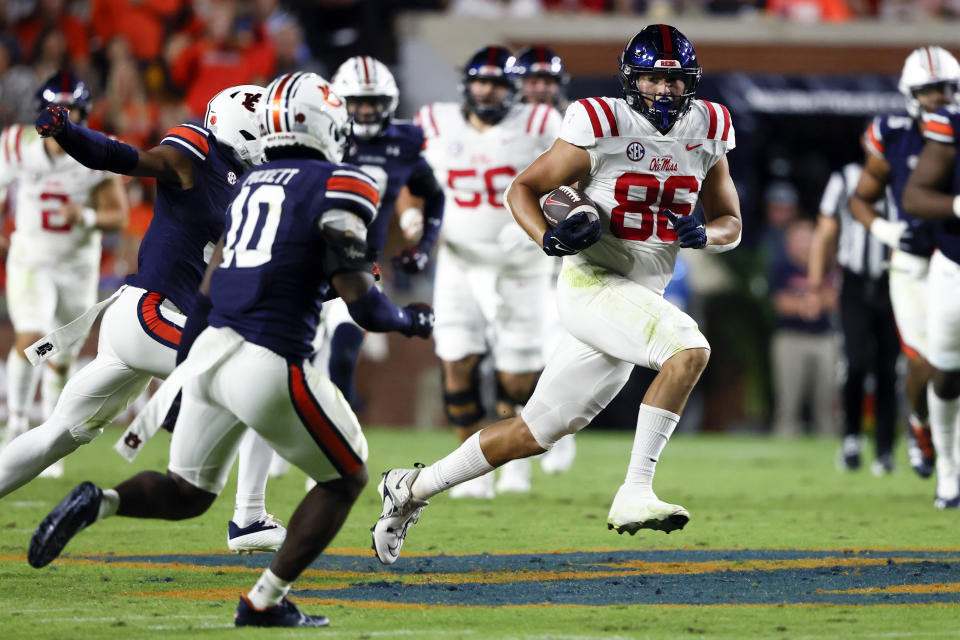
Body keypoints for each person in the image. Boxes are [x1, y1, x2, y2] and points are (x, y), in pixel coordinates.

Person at [28, 72, 435, 629]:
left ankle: (103, 500)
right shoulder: (335, 182)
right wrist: (409, 319)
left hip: (202, 336)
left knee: (184, 489)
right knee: (347, 477)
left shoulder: (250, 185)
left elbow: (209, 285)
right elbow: (360, 301)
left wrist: (191, 367)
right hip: (241, 345)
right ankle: (261, 583)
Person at [371, 24, 742, 564]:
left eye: (673, 81)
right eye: (650, 79)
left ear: (690, 83)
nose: (663, 91)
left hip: (638, 295)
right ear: (630, 80)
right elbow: (522, 186)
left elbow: (731, 220)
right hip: (592, 282)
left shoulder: (710, 126)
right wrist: (545, 236)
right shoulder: (602, 121)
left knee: (534, 431)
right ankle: (635, 490)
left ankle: (409, 488)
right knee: (689, 350)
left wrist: (706, 234)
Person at [0, 83, 286, 553]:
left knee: (57, 435)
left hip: (145, 324)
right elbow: (127, 158)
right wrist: (69, 134)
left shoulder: (249, 182)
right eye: (266, 130)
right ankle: (249, 518)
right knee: (261, 379)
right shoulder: (197, 152)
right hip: (151, 311)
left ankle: (213, 479)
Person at [416, 45, 562, 498]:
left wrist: (544, 221)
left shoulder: (540, 123)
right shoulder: (435, 122)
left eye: (499, 83)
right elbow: (409, 179)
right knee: (456, 361)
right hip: (460, 260)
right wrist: (411, 221)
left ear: (514, 90)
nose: (488, 90)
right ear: (467, 82)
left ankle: (512, 462)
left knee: (517, 375)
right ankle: (468, 470)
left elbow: (573, 178)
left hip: (521, 260)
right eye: (482, 80)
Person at [0, 71, 128, 480]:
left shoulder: (96, 155)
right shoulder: (17, 145)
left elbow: (119, 216)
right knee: (29, 338)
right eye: (58, 111)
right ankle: (17, 422)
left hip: (76, 267)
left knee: (59, 355)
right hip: (31, 260)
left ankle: (48, 438)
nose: (64, 120)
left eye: (72, 111)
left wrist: (87, 215)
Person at [850, 46, 958, 478]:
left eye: (947, 88)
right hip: (914, 261)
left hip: (952, 258)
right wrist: (888, 231)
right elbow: (861, 199)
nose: (940, 97)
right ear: (911, 94)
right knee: (921, 362)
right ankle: (920, 424)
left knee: (950, 364)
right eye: (929, 90)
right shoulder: (892, 134)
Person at [320, 56, 444, 408]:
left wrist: (423, 246)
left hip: (359, 264)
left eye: (373, 102)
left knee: (343, 356)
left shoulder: (403, 143)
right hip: (306, 261)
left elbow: (433, 194)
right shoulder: (321, 136)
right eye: (356, 102)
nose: (364, 111)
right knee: (297, 361)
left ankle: (337, 443)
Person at [508, 45, 577, 475]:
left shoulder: (574, 123)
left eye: (545, 80)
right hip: (510, 251)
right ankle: (521, 447)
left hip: (562, 250)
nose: (538, 88)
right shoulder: (502, 125)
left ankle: (559, 433)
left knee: (558, 349)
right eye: (531, 79)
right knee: (514, 355)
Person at [809, 161, 900, 474]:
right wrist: (815, 284)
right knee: (857, 361)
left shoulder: (903, 175)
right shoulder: (845, 178)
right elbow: (826, 231)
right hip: (855, 283)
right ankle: (851, 439)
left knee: (889, 367)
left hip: (894, 281)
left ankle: (886, 449)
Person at [901, 99, 960, 509]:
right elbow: (915, 196)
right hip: (954, 268)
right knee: (945, 370)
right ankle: (949, 470)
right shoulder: (951, 127)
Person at [769, 219, 838, 438]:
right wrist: (807, 305)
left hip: (824, 338)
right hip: (790, 338)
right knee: (788, 404)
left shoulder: (829, 267)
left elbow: (835, 298)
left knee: (827, 403)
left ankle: (829, 448)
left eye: (810, 239)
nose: (806, 244)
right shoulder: (781, 268)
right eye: (800, 239)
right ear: (789, 243)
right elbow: (780, 303)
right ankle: (785, 448)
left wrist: (808, 304)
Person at [508, 45, 569, 111]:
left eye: (547, 82)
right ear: (520, 84)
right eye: (533, 82)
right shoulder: (507, 116)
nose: (540, 89)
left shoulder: (571, 117)